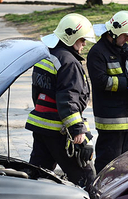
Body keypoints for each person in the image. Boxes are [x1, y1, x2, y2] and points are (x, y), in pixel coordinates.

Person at [25, 13, 97, 188]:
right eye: (82, 40)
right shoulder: (69, 63)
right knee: (85, 177)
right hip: (60, 130)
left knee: (38, 175)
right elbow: (68, 99)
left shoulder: (46, 56)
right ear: (71, 37)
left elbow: (37, 92)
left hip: (41, 126)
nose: (84, 44)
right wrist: (77, 130)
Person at [87, 10, 128, 173]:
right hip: (110, 119)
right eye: (125, 35)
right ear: (114, 32)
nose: (127, 39)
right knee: (107, 164)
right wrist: (125, 82)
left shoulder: (123, 49)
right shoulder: (97, 52)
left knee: (124, 163)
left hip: (126, 117)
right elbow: (101, 82)